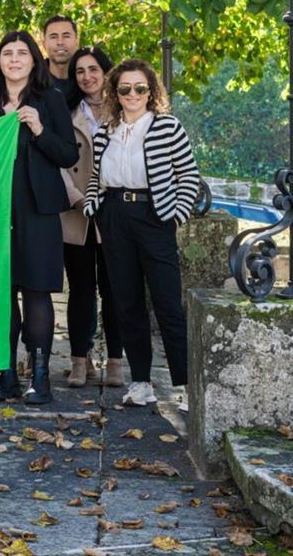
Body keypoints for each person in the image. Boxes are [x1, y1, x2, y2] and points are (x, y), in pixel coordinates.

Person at [0, 31, 78, 405]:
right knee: (1, 293)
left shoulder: (51, 100)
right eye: (7, 54)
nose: (14, 59)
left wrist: (39, 129)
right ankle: (6, 372)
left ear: (34, 60)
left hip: (38, 208)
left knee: (36, 290)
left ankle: (41, 375)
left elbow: (68, 155)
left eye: (22, 53)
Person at [84, 58, 199, 410]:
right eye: (125, 89)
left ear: (151, 92)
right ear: (115, 93)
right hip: (115, 215)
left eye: (140, 88)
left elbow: (189, 176)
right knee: (126, 302)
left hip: (154, 216)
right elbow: (95, 176)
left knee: (167, 303)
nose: (132, 94)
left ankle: (186, 386)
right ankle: (141, 382)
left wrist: (175, 214)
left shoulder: (167, 127)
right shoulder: (105, 131)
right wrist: (94, 205)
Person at [61, 46, 124, 388]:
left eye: (93, 69)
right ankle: (79, 361)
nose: (87, 76)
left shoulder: (124, 110)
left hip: (115, 213)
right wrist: (75, 197)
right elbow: (57, 160)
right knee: (81, 289)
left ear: (105, 71)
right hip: (78, 212)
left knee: (115, 289)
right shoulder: (66, 111)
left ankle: (115, 360)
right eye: (80, 71)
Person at [42, 15, 82, 109]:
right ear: (44, 44)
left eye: (66, 36)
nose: (60, 42)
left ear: (76, 41)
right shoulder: (31, 79)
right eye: (53, 37)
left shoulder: (88, 79)